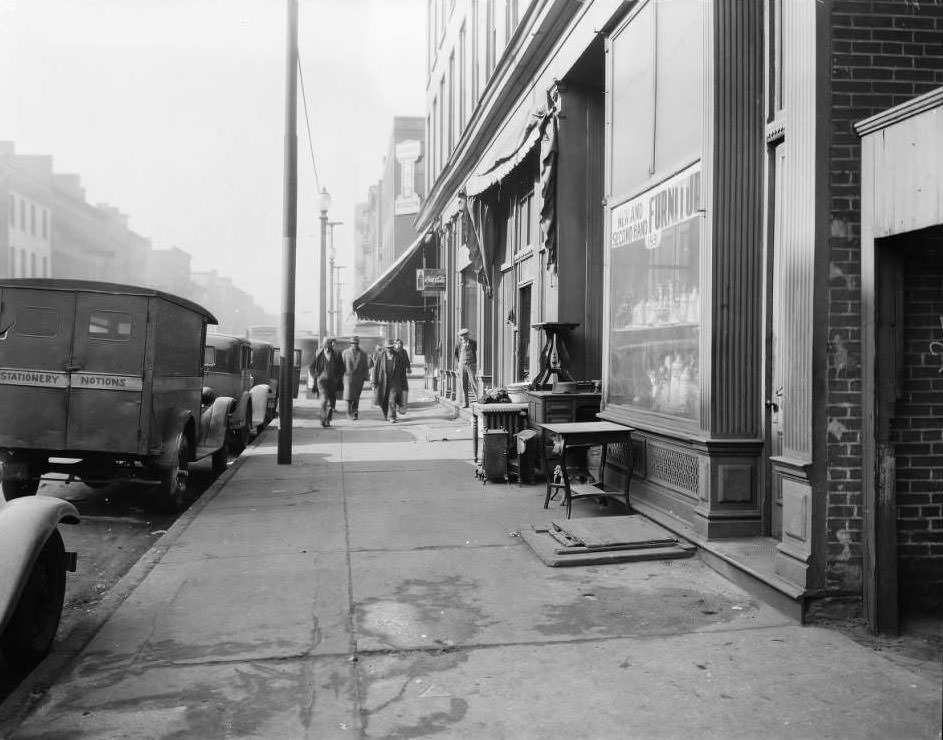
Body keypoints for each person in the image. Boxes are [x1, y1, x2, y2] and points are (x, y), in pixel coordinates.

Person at [311, 336, 345, 427]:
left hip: (333, 382)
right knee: (324, 399)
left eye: (329, 344)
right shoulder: (319, 354)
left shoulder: (337, 354)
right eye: (326, 344)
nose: (327, 346)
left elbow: (342, 368)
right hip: (321, 381)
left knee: (331, 401)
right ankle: (323, 419)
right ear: (324, 345)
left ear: (331, 345)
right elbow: (311, 367)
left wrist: (337, 377)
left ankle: (328, 419)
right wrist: (315, 376)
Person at [372, 340, 407, 423]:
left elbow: (402, 371)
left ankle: (392, 416)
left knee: (392, 399)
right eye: (388, 348)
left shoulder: (398, 357)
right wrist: (374, 383)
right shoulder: (380, 356)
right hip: (383, 382)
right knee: (384, 401)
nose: (389, 349)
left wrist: (403, 383)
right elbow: (376, 370)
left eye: (391, 347)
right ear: (385, 348)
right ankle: (386, 414)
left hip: (394, 383)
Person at [342, 335, 370, 420]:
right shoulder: (345, 353)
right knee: (348, 397)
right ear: (350, 344)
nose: (355, 345)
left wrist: (366, 376)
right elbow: (342, 365)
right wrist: (341, 376)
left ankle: (355, 412)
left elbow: (366, 366)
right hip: (348, 377)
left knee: (356, 397)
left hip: (359, 378)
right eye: (353, 343)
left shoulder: (363, 354)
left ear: (358, 343)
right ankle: (348, 413)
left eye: (356, 343)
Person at [453, 328, 478, 408]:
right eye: (462, 336)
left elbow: (477, 353)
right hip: (462, 365)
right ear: (460, 337)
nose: (464, 337)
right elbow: (456, 355)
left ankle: (478, 399)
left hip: (471, 364)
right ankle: (465, 402)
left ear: (468, 335)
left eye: (465, 335)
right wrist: (457, 366)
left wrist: (476, 363)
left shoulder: (473, 343)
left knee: (473, 382)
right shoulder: (458, 344)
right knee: (463, 384)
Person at [393, 338, 412, 415]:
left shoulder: (404, 352)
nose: (399, 345)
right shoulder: (393, 352)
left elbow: (407, 361)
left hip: (402, 375)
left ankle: (402, 408)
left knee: (404, 390)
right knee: (395, 392)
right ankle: (395, 408)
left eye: (400, 343)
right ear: (394, 345)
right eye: (397, 343)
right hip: (394, 376)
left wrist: (408, 368)